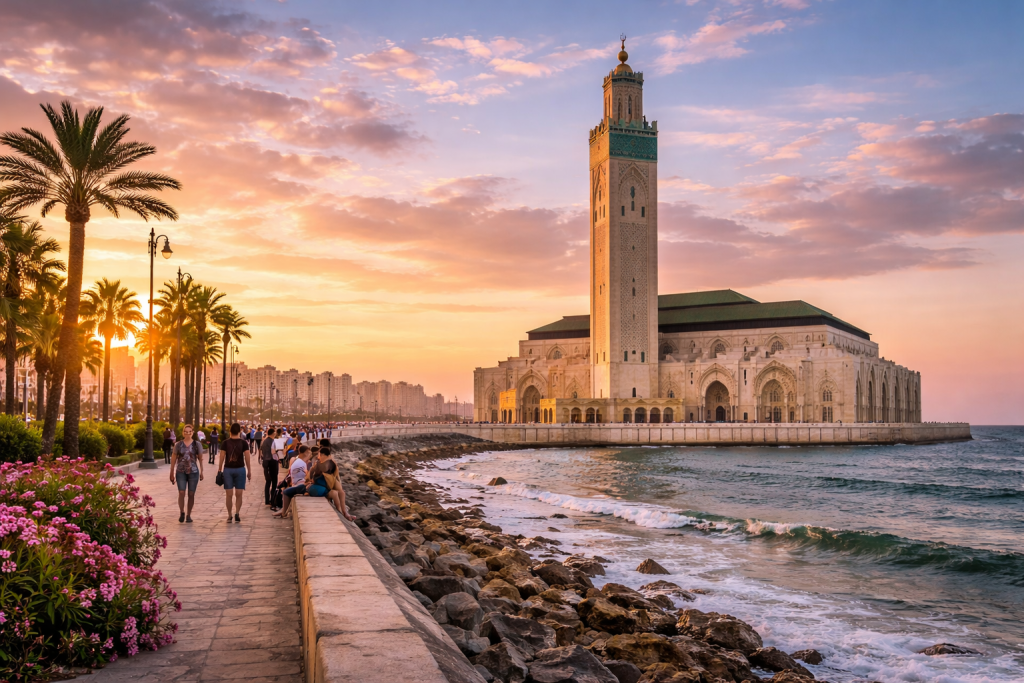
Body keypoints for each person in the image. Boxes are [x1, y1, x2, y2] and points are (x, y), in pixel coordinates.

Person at [169, 424, 204, 523]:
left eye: (189, 432)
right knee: (181, 492)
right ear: (183, 433)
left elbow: (200, 458)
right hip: (181, 471)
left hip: (193, 472)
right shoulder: (178, 445)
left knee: (191, 494)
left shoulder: (197, 444)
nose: (187, 433)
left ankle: (189, 514)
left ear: (192, 433)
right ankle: (182, 512)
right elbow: (173, 458)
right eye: (186, 432)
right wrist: (171, 472)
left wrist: (202, 471)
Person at [218, 422, 252, 523]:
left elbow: (222, 456)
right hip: (240, 469)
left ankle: (229, 515)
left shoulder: (225, 443)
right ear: (240, 431)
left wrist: (219, 469)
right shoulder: (244, 443)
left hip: (228, 469)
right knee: (239, 494)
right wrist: (249, 470)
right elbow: (247, 457)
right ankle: (237, 513)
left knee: (229, 494)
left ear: (230, 431)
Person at [273, 445, 313, 519]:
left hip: (297, 484)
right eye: (309, 452)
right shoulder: (301, 463)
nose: (310, 454)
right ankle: (284, 511)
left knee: (286, 491)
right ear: (306, 453)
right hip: (300, 485)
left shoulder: (298, 461)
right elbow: (305, 478)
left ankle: (284, 511)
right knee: (286, 492)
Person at [260, 428, 280, 510]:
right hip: (272, 461)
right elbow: (274, 451)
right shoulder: (273, 441)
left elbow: (261, 451)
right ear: (273, 433)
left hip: (265, 461)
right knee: (274, 481)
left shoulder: (264, 441)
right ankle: (273, 500)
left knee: (268, 481)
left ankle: (267, 500)